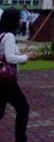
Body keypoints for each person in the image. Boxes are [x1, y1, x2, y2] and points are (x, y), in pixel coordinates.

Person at [0, 8, 32, 142]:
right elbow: (11, 58)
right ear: (13, 20)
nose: (21, 20)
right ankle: (21, 139)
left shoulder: (1, 35)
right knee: (23, 108)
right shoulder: (9, 36)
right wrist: (26, 57)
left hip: (2, 80)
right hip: (7, 81)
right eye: (19, 18)